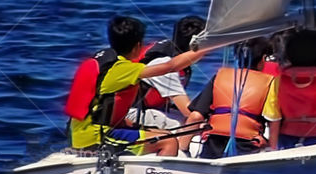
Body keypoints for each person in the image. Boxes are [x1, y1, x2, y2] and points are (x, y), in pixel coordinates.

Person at [64, 16, 208, 156]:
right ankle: (158, 172)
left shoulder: (104, 61)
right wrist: (207, 47)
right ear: (138, 46)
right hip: (96, 138)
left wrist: (138, 127)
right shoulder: (124, 69)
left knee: (162, 134)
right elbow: (170, 66)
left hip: (82, 133)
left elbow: (106, 109)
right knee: (169, 141)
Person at [184, 37, 276, 158]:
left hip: (213, 144)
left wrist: (183, 149)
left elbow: (196, 116)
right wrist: (272, 148)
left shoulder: (220, 76)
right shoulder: (270, 82)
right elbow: (274, 121)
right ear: (264, 59)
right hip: (247, 146)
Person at [126, 15, 206, 129]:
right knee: (185, 125)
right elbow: (188, 111)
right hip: (130, 113)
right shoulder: (163, 65)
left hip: (154, 108)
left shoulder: (174, 50)